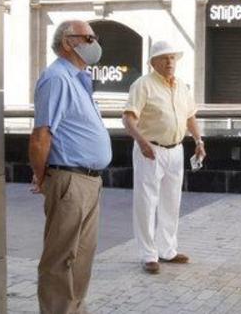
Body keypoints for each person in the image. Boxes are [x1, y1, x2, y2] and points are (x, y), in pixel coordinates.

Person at [29, 20, 112, 314]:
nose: (95, 43)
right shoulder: (57, 78)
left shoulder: (78, 78)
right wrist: (43, 177)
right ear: (68, 42)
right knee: (60, 259)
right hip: (69, 179)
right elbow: (41, 135)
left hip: (88, 181)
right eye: (89, 38)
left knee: (81, 258)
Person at [122, 40, 206, 274]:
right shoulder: (143, 85)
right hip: (150, 150)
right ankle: (148, 254)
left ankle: (167, 250)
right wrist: (142, 142)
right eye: (164, 58)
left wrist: (199, 141)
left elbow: (190, 116)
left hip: (176, 150)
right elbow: (128, 118)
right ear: (153, 62)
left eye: (172, 58)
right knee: (146, 202)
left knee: (171, 201)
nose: (170, 62)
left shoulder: (181, 86)